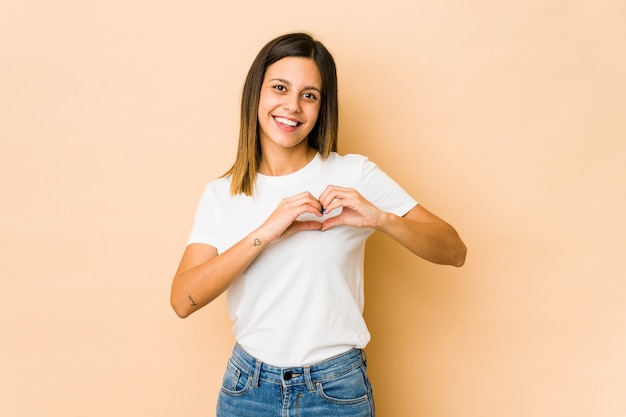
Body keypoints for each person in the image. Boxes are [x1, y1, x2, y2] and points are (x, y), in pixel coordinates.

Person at [170, 32, 466, 417]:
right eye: (280, 88)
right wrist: (266, 231)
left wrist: (382, 219)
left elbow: (454, 251)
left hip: (336, 389)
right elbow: (182, 300)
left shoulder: (354, 174)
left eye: (309, 95)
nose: (292, 107)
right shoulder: (222, 193)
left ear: (322, 106)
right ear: (256, 94)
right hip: (248, 391)